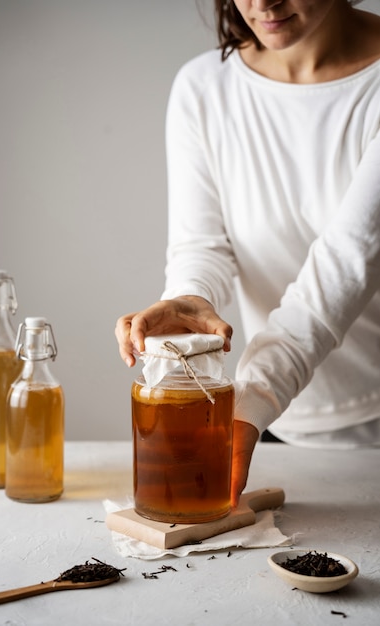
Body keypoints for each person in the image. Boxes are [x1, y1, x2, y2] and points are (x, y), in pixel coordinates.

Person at [115, 0, 380, 505]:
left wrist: (250, 399)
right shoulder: (204, 87)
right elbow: (202, 245)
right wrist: (190, 298)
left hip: (303, 413)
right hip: (276, 423)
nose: (262, 3)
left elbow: (347, 262)